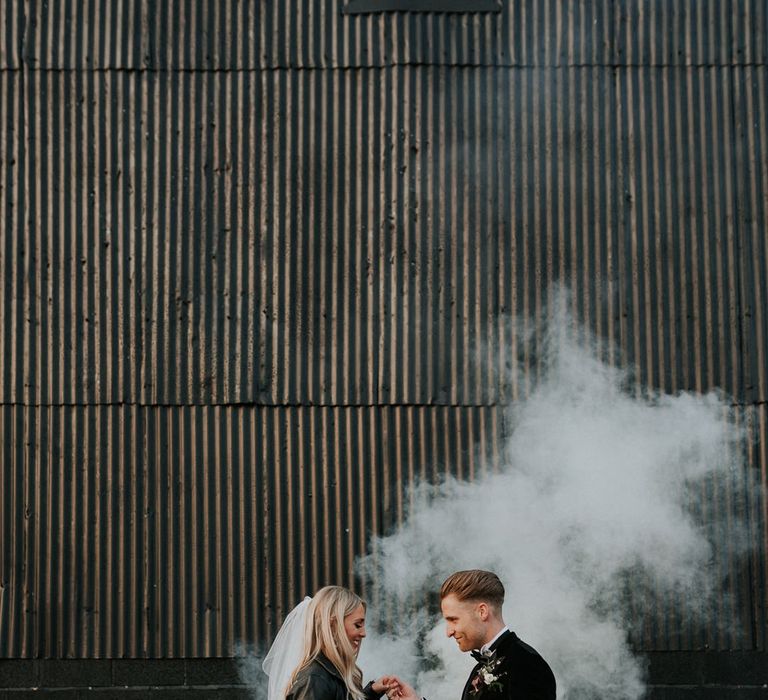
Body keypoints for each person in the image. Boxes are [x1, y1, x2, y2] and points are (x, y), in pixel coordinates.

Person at [388, 570, 556, 700]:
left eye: (453, 619)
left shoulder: (528, 664)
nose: (448, 632)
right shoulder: (483, 665)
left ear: (482, 611)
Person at [263, 585, 400, 700]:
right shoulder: (315, 680)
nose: (364, 633)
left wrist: (373, 692)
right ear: (333, 626)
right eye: (358, 625)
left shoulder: (329, 673)